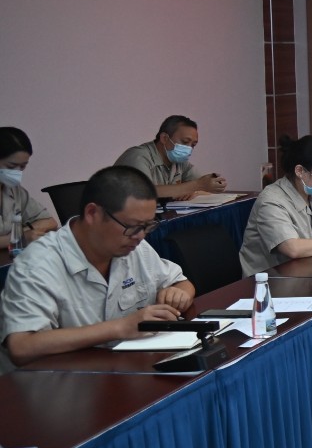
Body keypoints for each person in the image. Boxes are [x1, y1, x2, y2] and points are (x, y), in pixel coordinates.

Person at [0, 166, 195, 366]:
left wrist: (179, 294)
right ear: (92, 213)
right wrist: (120, 328)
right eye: (132, 226)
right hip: (62, 379)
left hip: (123, 369)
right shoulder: (37, 264)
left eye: (147, 226)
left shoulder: (133, 246)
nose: (140, 236)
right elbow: (21, 346)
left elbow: (182, 283)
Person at [238, 135, 312, 275]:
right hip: (270, 282)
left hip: (308, 273)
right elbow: (292, 248)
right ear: (300, 171)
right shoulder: (271, 201)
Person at [115, 114, 227, 200]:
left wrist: (195, 191)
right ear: (164, 138)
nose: (189, 148)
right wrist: (197, 185)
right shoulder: (138, 156)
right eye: (185, 142)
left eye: (193, 145)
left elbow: (207, 188)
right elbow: (144, 192)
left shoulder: (179, 162)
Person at [0, 126, 59, 248]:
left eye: (23, 166)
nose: (17, 172)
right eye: (11, 166)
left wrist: (22, 233)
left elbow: (49, 221)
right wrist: (18, 238)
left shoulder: (14, 189)